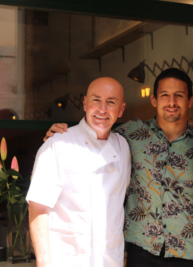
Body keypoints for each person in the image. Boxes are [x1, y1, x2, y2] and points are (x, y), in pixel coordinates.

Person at [43, 69, 193, 267]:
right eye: (164, 95)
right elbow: (95, 133)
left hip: (189, 251)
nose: (171, 102)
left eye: (179, 95)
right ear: (153, 100)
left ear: (190, 101)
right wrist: (62, 134)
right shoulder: (129, 134)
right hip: (141, 250)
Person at [27, 77, 131, 267]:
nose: (102, 109)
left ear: (121, 110)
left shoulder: (123, 147)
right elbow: (37, 207)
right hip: (67, 260)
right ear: (85, 103)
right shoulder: (58, 143)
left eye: (111, 102)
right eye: (96, 100)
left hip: (110, 260)